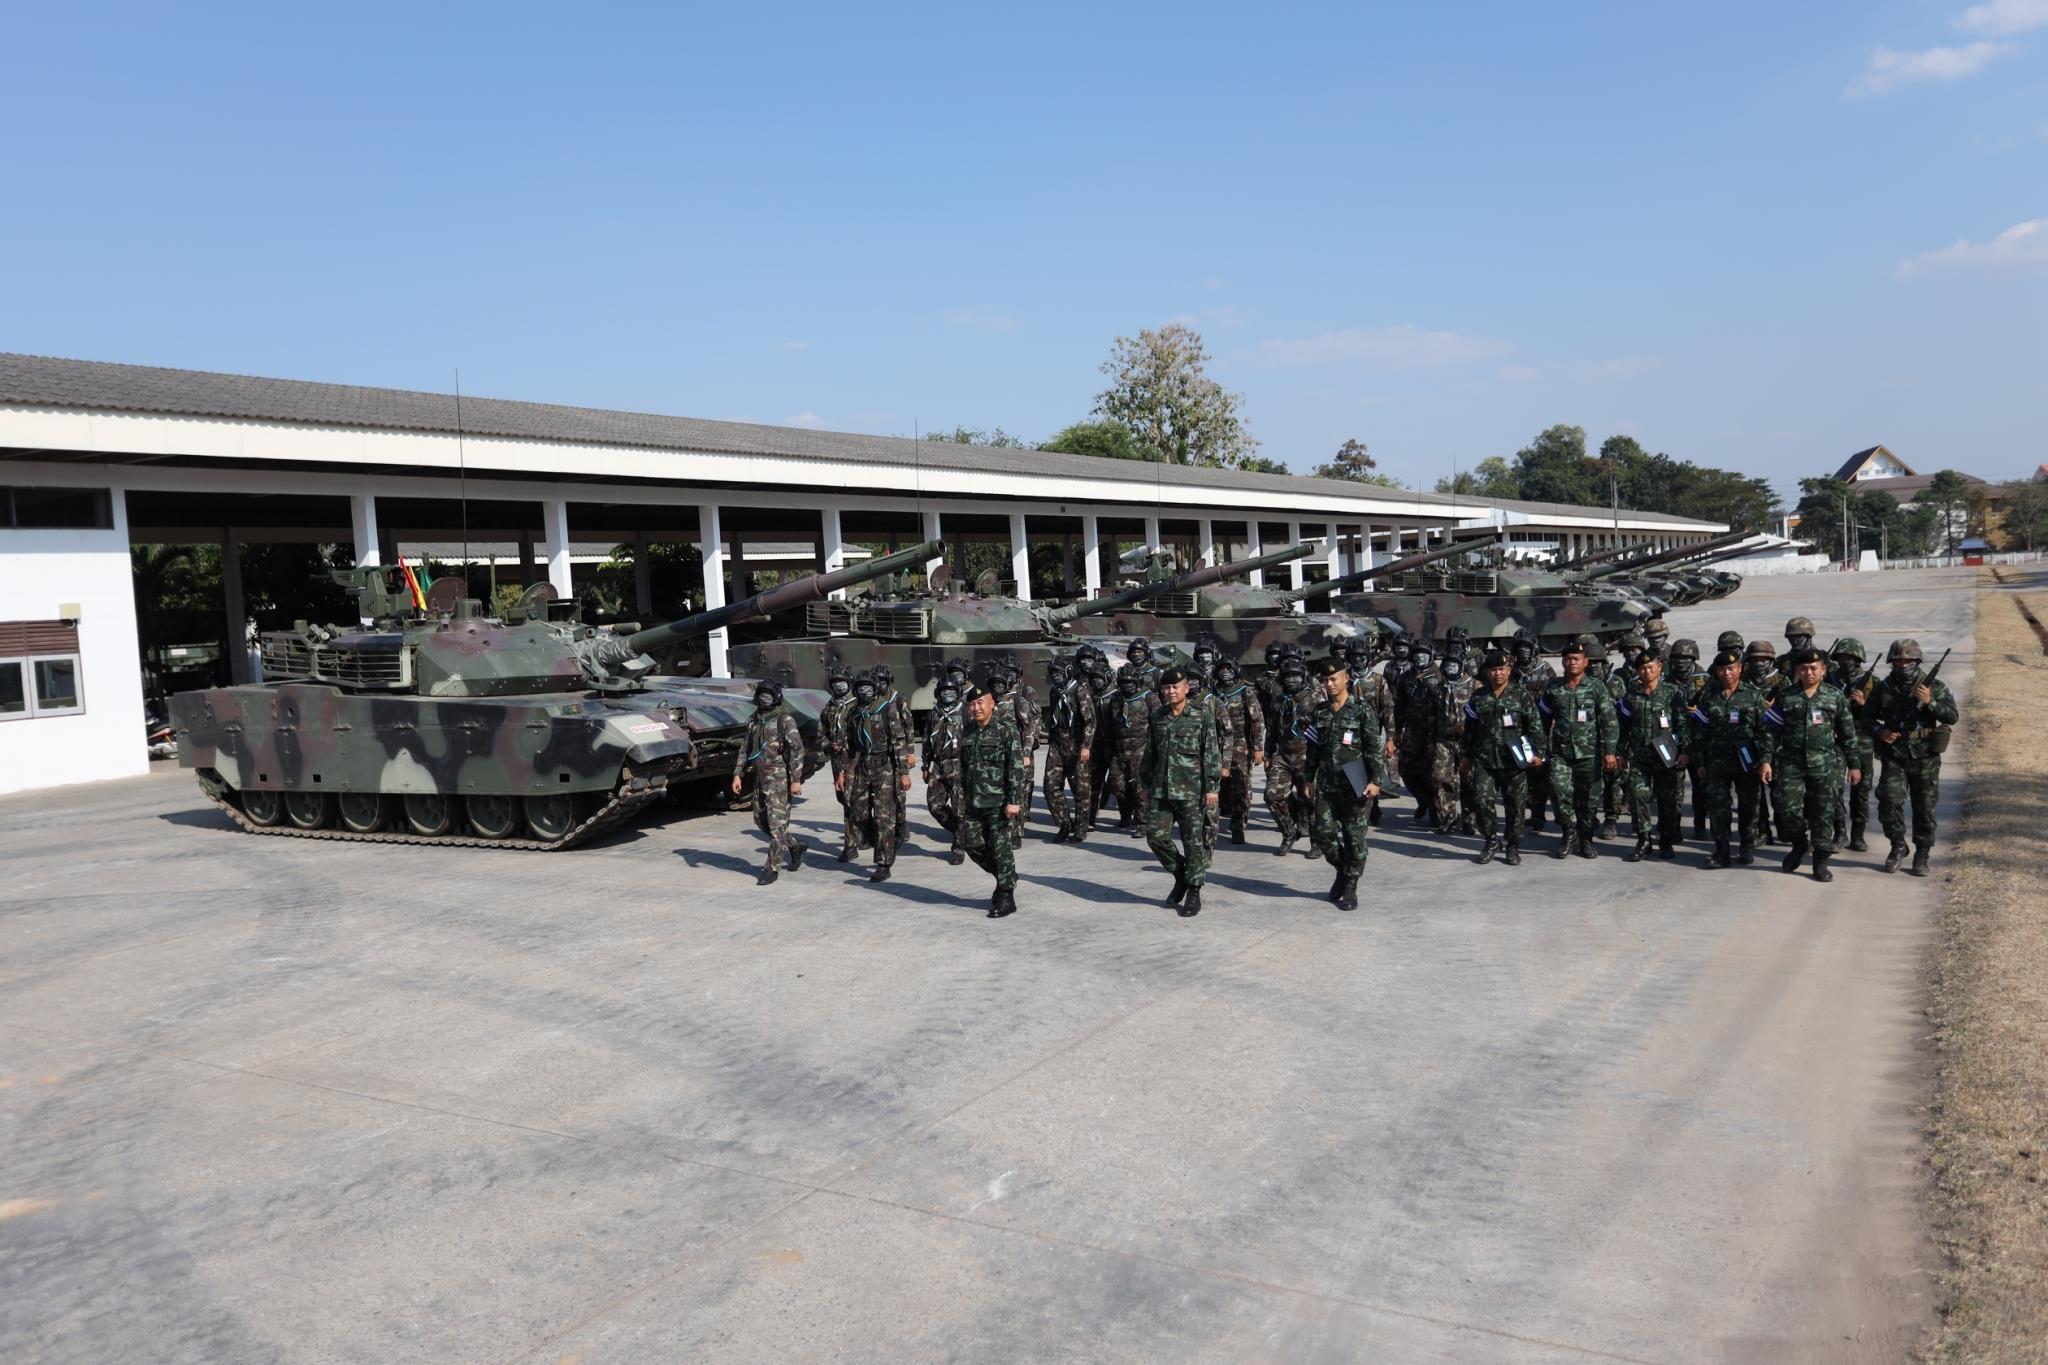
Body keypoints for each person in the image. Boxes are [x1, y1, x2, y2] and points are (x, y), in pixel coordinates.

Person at [1762, 646, 1860, 882]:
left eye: (1813, 668)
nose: (1808, 673)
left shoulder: (1834, 696)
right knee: (1787, 809)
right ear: (1797, 670)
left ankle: (1821, 862)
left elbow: (1848, 734)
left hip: (1825, 764)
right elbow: (1770, 731)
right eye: (1803, 668)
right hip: (1791, 765)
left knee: (1823, 813)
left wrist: (1854, 764)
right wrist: (1765, 760)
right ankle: (1798, 844)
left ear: (1824, 670)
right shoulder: (1786, 696)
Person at [1869, 638, 1958, 876]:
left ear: (1917, 661)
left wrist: (1931, 701)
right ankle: (1898, 845)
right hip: (1894, 755)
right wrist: (1880, 731)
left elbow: (1951, 716)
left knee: (1925, 808)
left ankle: (1922, 854)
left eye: (1908, 660)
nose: (1903, 665)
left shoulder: (1933, 686)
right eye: (1898, 661)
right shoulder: (1883, 688)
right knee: (1888, 801)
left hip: (1925, 757)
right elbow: (1864, 719)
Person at [1308, 657, 1388, 911]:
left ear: (1346, 679)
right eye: (1325, 680)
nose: (1329, 684)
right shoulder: (1319, 712)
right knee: (1324, 834)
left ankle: (1351, 884)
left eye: (1334, 679)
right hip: (1327, 783)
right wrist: (1307, 778)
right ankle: (1342, 870)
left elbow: (1374, 748)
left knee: (1355, 837)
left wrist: (1376, 780)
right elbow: (1313, 748)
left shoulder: (1362, 710)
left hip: (1355, 781)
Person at [1143, 667, 1222, 916]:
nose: (1170, 691)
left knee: (1193, 843)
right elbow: (1150, 753)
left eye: (1175, 687)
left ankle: (1194, 890)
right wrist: (1145, 784)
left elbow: (1211, 753)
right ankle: (1181, 875)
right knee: (1155, 837)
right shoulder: (1158, 716)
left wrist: (1212, 787)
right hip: (1161, 789)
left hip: (1191, 790)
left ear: (1187, 688)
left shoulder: (1200, 716)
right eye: (1166, 688)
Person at [1539, 635, 1619, 859]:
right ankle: (1567, 832)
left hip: (1590, 755)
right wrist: (1538, 750)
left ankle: (1585, 839)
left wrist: (1610, 752)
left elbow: (1609, 721)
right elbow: (1541, 721)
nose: (1572, 662)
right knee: (1558, 791)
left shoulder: (1596, 688)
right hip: (1561, 755)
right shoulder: (1554, 688)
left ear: (1585, 662)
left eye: (1577, 658)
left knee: (1589, 800)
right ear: (1563, 662)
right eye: (1568, 658)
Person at [1461, 648, 1544, 865]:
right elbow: (1470, 728)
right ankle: (1490, 840)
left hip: (1514, 760)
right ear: (1487, 672)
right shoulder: (1478, 697)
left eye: (1502, 669)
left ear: (1509, 670)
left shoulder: (1521, 695)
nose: (1498, 673)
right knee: (1482, 800)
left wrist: (1537, 753)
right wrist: (1465, 755)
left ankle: (1513, 845)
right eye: (1493, 670)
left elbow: (1534, 726)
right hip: (1484, 759)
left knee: (1515, 804)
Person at [1688, 649, 1770, 867]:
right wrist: (1700, 762)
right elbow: (1700, 732)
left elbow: (1765, 732)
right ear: (1716, 671)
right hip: (1717, 763)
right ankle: (1721, 850)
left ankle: (1746, 846)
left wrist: (1765, 761)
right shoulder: (1709, 698)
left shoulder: (1753, 696)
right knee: (1718, 807)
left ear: (1740, 669)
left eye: (1731, 668)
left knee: (1749, 806)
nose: (1727, 673)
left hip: (1747, 763)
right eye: (1722, 669)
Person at [956, 683, 1026, 917]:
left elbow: (1015, 768)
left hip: (999, 803)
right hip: (974, 802)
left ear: (991, 704)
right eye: (972, 704)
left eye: (980, 703)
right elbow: (964, 769)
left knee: (1000, 848)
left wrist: (1014, 800)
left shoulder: (1006, 730)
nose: (976, 708)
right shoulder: (968, 732)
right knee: (972, 844)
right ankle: (1005, 876)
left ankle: (1006, 895)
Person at [730, 678, 807, 884]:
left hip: (779, 780)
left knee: (776, 826)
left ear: (776, 698)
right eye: (762, 695)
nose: (765, 698)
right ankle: (794, 846)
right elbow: (745, 748)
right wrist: (738, 773)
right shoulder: (754, 719)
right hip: (759, 779)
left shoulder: (784, 720)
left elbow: (797, 750)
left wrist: (796, 779)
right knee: (761, 821)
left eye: (769, 695)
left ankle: (771, 868)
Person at [843, 671, 914, 883]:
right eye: (860, 687)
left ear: (875, 688)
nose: (864, 691)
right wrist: (845, 771)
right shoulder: (854, 711)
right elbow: (850, 743)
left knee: (884, 817)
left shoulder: (887, 709)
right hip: (862, 764)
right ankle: (886, 842)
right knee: (858, 812)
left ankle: (883, 862)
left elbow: (899, 741)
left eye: (868, 687)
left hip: (884, 765)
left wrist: (903, 773)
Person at [1617, 652, 1686, 861]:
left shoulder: (1673, 693)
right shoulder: (1632, 695)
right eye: (1642, 668)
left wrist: (1685, 751)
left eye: (1650, 667)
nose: (1647, 671)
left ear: (1659, 668)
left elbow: (1683, 724)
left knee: (1667, 799)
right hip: (1639, 756)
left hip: (1667, 756)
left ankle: (1666, 840)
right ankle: (1644, 839)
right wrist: (1620, 752)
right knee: (1639, 797)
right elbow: (1623, 726)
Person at [1265, 657, 1320, 856]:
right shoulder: (1278, 700)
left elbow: (1325, 728)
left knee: (1311, 800)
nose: (1292, 680)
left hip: (1308, 754)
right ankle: (1289, 833)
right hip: (1283, 755)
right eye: (1288, 676)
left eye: (1296, 676)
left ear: (1304, 676)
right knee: (1272, 796)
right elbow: (1271, 729)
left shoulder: (1315, 698)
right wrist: (1267, 753)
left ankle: (1317, 842)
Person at [1828, 638, 1877, 852]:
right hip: (1836, 740)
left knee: (1861, 790)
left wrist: (1864, 705)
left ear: (1859, 659)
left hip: (1862, 740)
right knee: (1833, 787)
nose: (1845, 662)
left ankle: (1858, 834)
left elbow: (1884, 715)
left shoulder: (1873, 683)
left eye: (1850, 658)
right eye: (1841, 658)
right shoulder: (1829, 680)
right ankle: (1840, 832)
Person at [1043, 654, 1097, 844]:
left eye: (1058, 672)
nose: (1055, 676)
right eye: (1052, 673)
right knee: (1050, 787)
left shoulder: (1080, 691)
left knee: (1081, 791)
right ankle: (1065, 823)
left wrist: (1086, 747)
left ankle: (1081, 829)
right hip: (1057, 745)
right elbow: (1052, 718)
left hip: (1077, 745)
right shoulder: (1054, 692)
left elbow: (1090, 721)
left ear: (1067, 671)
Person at [1211, 657, 1265, 844]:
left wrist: (1257, 747)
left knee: (1241, 787)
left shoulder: (1245, 692)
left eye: (1229, 668)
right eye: (1222, 668)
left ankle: (1238, 826)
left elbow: (1257, 721)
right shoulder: (1212, 692)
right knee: (1215, 788)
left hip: (1240, 745)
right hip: (1215, 745)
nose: (1225, 671)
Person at [1428, 645, 1478, 834]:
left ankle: (1469, 819)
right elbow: (1431, 716)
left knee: (1469, 781)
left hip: (1467, 742)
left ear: (1462, 666)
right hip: (1443, 740)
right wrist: (1431, 741)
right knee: (1440, 778)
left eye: (1454, 664)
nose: (1450, 668)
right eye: (1447, 664)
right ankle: (1448, 816)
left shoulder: (1475, 686)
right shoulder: (1438, 688)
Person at [990, 667, 1039, 847]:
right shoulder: (989, 703)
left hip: (1015, 754)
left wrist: (1026, 753)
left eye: (1001, 684)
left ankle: (1016, 832)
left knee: (1016, 791)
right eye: (994, 684)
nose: (997, 687)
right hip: (995, 756)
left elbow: (1029, 729)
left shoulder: (1018, 701)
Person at [921, 674, 968, 865]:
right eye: (943, 691)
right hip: (939, 765)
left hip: (959, 763)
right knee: (934, 805)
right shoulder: (934, 713)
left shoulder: (965, 711)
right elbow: (926, 739)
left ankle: (959, 847)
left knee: (960, 808)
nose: (947, 694)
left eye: (950, 690)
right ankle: (961, 831)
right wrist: (925, 764)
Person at [1743, 640, 1785, 844]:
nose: (1759, 663)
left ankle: (1784, 827)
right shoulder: (1742, 682)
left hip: (1777, 745)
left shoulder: (1782, 683)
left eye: (1764, 659)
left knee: (1780, 793)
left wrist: (1775, 709)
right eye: (1755, 659)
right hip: (1750, 743)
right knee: (1754, 793)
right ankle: (1762, 829)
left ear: (1771, 661)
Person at [1396, 642, 1441, 825]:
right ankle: (1423, 800)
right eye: (1417, 653)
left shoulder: (1441, 675)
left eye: (1424, 653)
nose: (1420, 657)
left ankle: (1435, 808)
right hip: (1413, 732)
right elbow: (1399, 707)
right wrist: (1395, 733)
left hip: (1435, 732)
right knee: (1406, 770)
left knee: (1433, 773)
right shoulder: (1406, 677)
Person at [819, 668, 862, 860]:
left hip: (856, 759)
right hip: (837, 761)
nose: (838, 685)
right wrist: (828, 745)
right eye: (835, 682)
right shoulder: (829, 708)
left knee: (851, 801)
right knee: (844, 800)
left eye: (842, 681)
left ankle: (850, 845)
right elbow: (822, 734)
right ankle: (862, 833)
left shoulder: (858, 704)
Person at [1107, 665, 1155, 835]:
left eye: (1130, 682)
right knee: (1117, 785)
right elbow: (1108, 724)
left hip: (1141, 747)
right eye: (1123, 682)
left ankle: (1142, 823)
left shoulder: (1149, 698)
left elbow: (1158, 725)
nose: (1127, 685)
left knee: (1140, 788)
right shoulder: (1115, 699)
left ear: (1138, 683)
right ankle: (1125, 815)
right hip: (1119, 749)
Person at [872, 664, 917, 845]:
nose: (880, 684)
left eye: (883, 681)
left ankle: (901, 824)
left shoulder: (898, 699)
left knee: (899, 792)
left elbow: (908, 726)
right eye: (877, 681)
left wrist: (911, 751)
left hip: (897, 751)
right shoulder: (872, 700)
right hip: (878, 753)